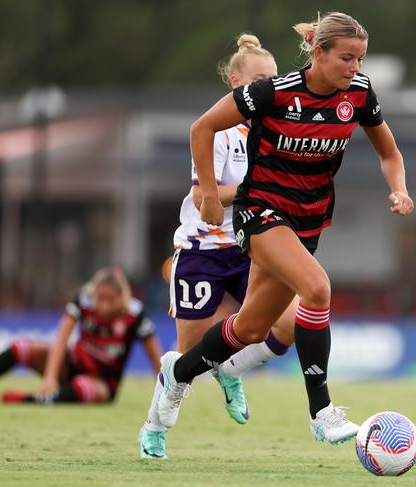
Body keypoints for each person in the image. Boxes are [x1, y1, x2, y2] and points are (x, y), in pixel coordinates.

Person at [155, 11, 413, 449]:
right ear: (318, 53)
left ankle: (176, 374)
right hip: (261, 212)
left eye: (360, 59)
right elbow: (202, 128)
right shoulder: (272, 93)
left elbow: (389, 153)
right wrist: (213, 197)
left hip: (308, 221)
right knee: (317, 288)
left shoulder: (360, 95)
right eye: (346, 58)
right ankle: (322, 413)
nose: (355, 68)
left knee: (250, 330)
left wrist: (399, 189)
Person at [139, 34, 297, 460]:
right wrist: (257, 188)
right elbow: (204, 196)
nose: (269, 87)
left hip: (251, 246)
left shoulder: (277, 130)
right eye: (260, 79)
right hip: (203, 248)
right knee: (187, 355)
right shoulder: (218, 129)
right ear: (236, 82)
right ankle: (155, 425)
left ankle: (231, 370)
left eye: (274, 79)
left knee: (291, 323)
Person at [0, 267, 162, 404]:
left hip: (103, 383)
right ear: (95, 293)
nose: (105, 305)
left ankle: (29, 400)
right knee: (22, 347)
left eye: (111, 299)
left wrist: (163, 392)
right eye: (101, 298)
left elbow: (154, 354)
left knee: (82, 387)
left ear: (121, 297)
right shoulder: (84, 300)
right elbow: (62, 337)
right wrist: (51, 378)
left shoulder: (134, 313)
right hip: (71, 365)